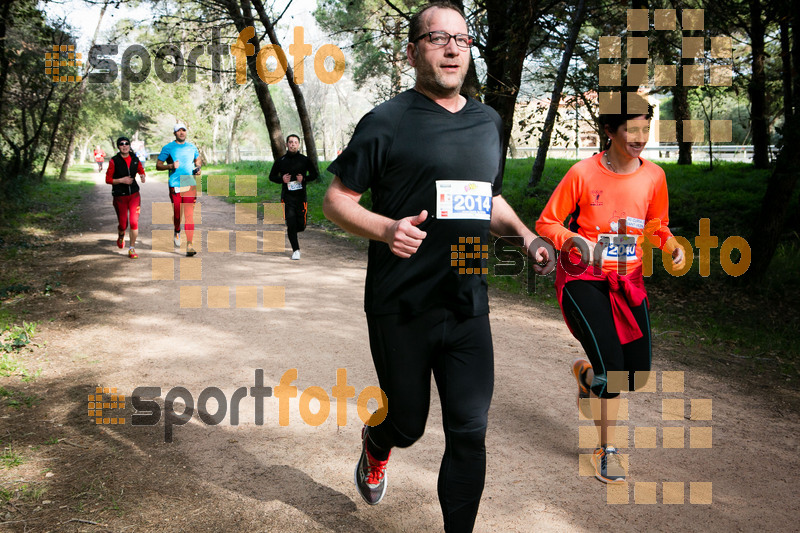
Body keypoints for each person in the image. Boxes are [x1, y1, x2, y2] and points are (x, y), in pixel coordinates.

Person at [323, 3, 552, 531]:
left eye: (462, 39)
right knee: (408, 425)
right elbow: (337, 199)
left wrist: (526, 235)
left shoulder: (488, 122)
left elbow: (485, 199)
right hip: (401, 304)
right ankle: (378, 441)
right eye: (436, 38)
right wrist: (386, 229)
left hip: (467, 301)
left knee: (470, 432)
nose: (452, 49)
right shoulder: (386, 121)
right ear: (412, 52)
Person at [535, 91, 686, 484]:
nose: (640, 136)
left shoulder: (655, 176)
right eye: (631, 129)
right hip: (582, 279)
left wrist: (670, 245)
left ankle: (586, 378)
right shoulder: (582, 174)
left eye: (645, 128)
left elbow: (655, 224)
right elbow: (546, 223)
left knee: (636, 374)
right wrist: (573, 240)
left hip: (627, 280)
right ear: (609, 130)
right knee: (615, 372)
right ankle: (607, 450)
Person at [268, 134, 318, 260]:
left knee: (300, 225)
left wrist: (304, 179)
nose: (293, 144)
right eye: (290, 142)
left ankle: (294, 232)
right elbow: (271, 176)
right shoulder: (281, 161)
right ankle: (296, 250)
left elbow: (315, 174)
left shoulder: (304, 160)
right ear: (286, 144)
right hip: (287, 197)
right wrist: (282, 179)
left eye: (295, 142)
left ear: (299, 144)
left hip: (301, 197)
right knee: (291, 223)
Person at [156, 123, 202, 257]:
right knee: (177, 214)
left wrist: (198, 168)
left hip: (189, 182)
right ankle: (177, 230)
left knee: (189, 215)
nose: (181, 133)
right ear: (174, 133)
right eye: (178, 131)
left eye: (183, 130)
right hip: (175, 184)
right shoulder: (168, 148)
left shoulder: (192, 147)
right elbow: (158, 165)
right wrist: (170, 165)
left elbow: (197, 160)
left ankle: (189, 245)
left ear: (186, 132)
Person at [105, 136, 146, 258]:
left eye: (126, 143)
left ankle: (132, 248)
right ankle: (121, 235)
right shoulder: (114, 161)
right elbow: (108, 180)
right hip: (120, 197)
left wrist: (142, 175)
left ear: (129, 145)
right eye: (121, 144)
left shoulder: (134, 158)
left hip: (134, 195)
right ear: (118, 147)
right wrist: (122, 180)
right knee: (123, 224)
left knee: (134, 222)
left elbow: (140, 169)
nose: (124, 146)